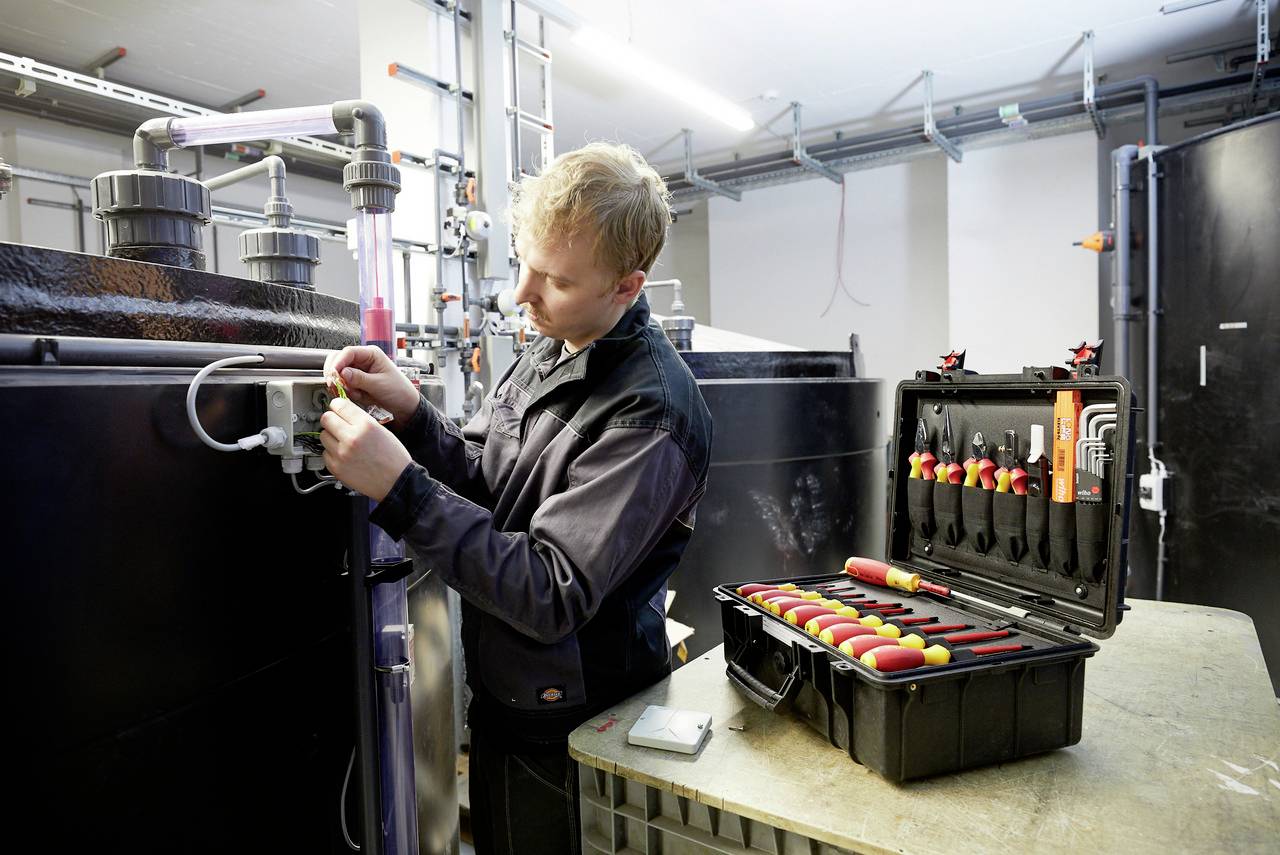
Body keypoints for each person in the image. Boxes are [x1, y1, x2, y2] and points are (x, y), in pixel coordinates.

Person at [319, 142, 713, 854]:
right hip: (509, 701)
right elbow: (489, 478)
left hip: (579, 726)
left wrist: (400, 490)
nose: (521, 294)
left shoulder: (652, 415)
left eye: (554, 280)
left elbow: (548, 590)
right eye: (524, 263)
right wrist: (413, 414)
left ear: (626, 286)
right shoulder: (553, 342)